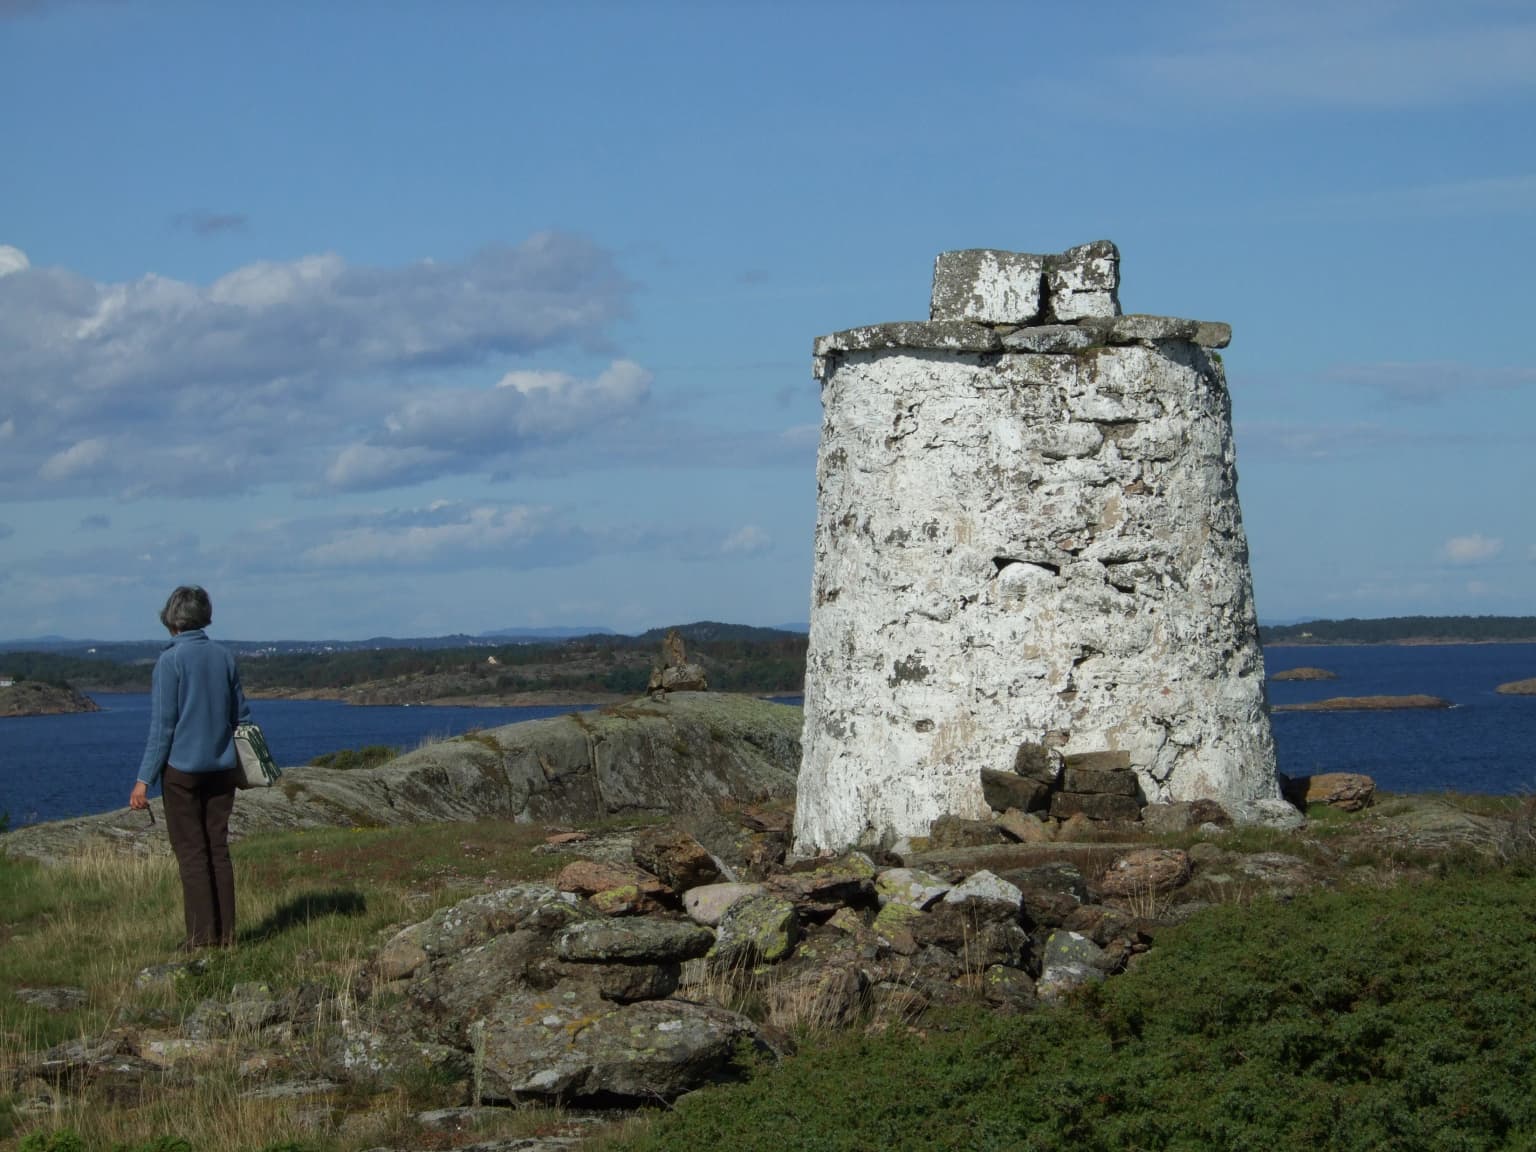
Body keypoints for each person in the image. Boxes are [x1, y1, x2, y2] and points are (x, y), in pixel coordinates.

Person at [129, 586, 251, 949]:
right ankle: (226, 937)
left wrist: (142, 781)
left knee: (192, 854)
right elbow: (240, 715)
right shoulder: (224, 657)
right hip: (222, 768)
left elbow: (163, 728)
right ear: (204, 616)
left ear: (172, 619)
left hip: (182, 772)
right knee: (218, 849)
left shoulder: (170, 662)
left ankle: (200, 939)